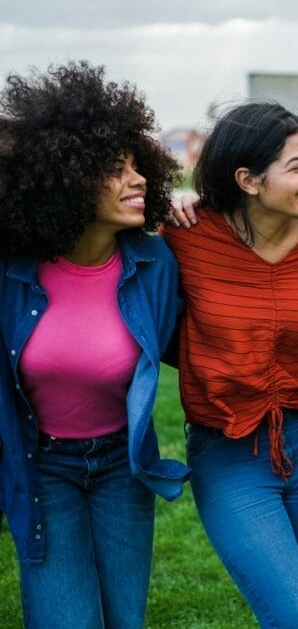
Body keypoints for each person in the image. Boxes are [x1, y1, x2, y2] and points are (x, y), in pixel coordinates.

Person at [0, 61, 188, 628]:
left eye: (140, 168)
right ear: (63, 178)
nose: (138, 181)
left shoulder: (155, 263)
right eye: (115, 170)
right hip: (43, 466)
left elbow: (199, 340)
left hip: (121, 467)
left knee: (123, 620)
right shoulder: (12, 272)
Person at [161, 102, 298, 627]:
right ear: (248, 180)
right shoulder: (186, 236)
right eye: (297, 166)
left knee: (295, 611)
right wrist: (171, 200)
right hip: (228, 450)